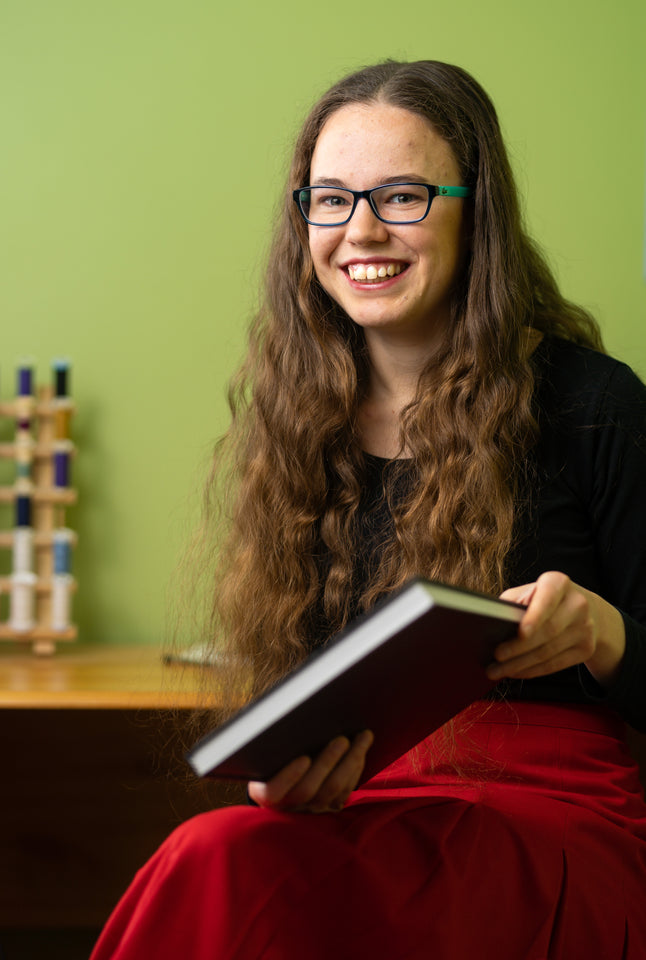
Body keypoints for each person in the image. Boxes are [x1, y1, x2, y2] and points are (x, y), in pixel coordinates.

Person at [90, 60, 646, 959]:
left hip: (555, 824)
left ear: (478, 213)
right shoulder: (299, 425)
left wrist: (604, 633)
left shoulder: (597, 403)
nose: (362, 230)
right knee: (221, 847)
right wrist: (292, 775)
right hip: (378, 806)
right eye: (332, 198)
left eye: (402, 196)